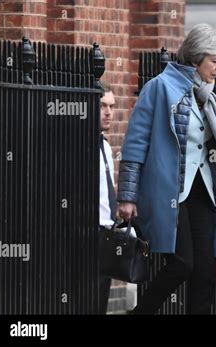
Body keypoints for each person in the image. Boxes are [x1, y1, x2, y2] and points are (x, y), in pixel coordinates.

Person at [117, 23, 216, 314]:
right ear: (195, 59)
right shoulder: (159, 88)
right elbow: (135, 145)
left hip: (204, 191)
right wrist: (127, 196)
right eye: (214, 61)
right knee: (182, 264)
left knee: (205, 270)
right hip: (169, 191)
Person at [98, 80, 116, 314]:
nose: (109, 112)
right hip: (86, 233)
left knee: (102, 295)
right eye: (103, 106)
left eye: (112, 106)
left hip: (107, 232)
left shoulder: (105, 146)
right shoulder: (79, 145)